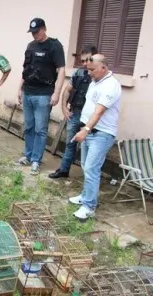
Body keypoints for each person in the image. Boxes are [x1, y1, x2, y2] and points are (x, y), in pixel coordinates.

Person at [68, 54, 121, 220]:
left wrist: (86, 129)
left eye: (92, 70)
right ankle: (85, 196)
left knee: (91, 168)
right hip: (89, 130)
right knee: (85, 166)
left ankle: (89, 207)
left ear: (103, 68)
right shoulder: (95, 82)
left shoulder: (111, 86)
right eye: (87, 69)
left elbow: (99, 111)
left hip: (101, 133)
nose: (89, 73)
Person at [18, 18, 66, 175]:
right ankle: (28, 155)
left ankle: (36, 160)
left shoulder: (54, 46)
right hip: (28, 92)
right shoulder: (30, 46)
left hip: (44, 95)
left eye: (37, 32)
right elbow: (25, 69)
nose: (35, 35)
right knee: (29, 126)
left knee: (40, 129)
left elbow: (61, 71)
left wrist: (56, 93)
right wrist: (20, 89)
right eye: (32, 33)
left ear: (44, 29)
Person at [49, 45, 97, 179]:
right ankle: (64, 170)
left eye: (88, 60)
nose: (85, 64)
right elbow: (67, 90)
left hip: (91, 118)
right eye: (82, 61)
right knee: (70, 143)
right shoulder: (79, 73)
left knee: (90, 147)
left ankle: (90, 177)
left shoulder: (99, 76)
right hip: (75, 113)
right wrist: (64, 108)